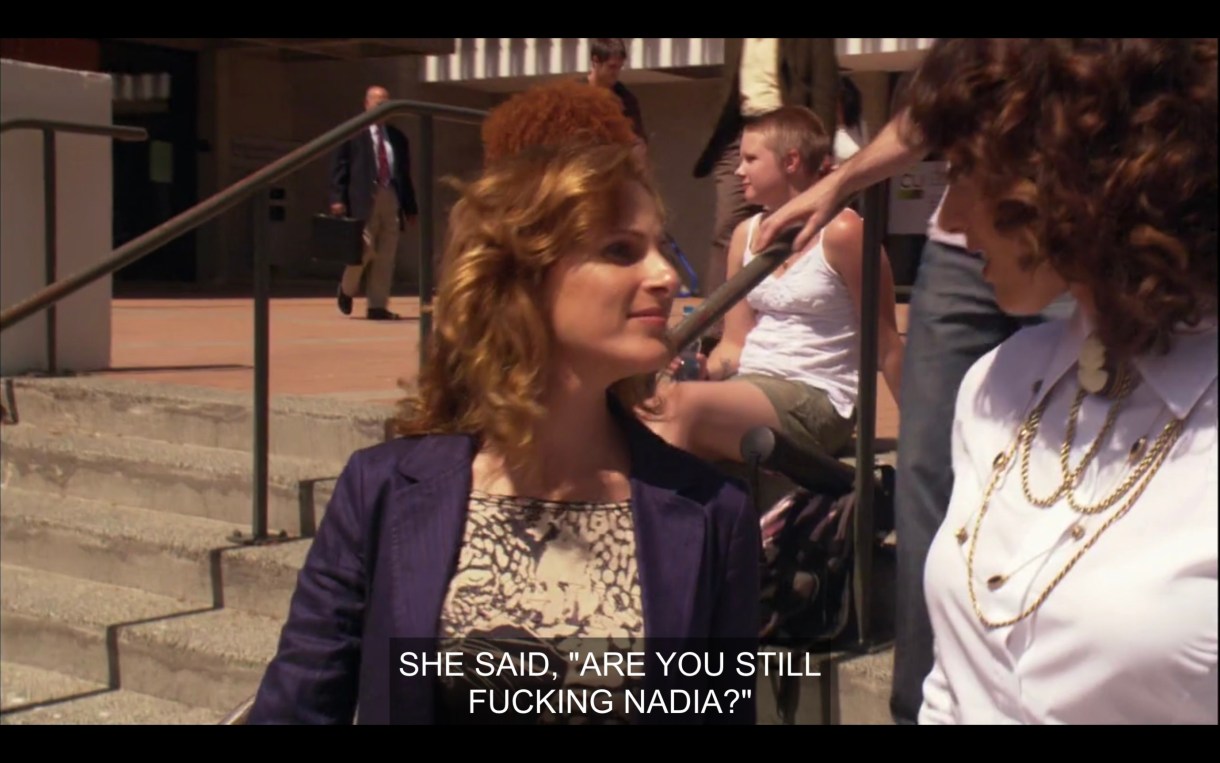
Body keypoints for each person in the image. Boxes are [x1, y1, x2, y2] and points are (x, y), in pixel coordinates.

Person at [780, 37, 1218, 724]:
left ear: (1067, 173)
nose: (945, 221)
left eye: (960, 172)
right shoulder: (995, 388)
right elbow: (951, 690)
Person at [246, 141, 760, 725]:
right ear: (522, 281)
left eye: (661, 249)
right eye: (621, 249)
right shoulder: (381, 490)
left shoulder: (713, 511)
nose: (667, 276)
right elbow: (297, 707)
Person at [755, 60, 1071, 726]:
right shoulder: (953, 196)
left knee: (1080, 471)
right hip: (964, 252)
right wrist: (841, 180)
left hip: (1076, 227)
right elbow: (936, 103)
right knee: (931, 471)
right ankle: (918, 705)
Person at [644, 106, 904, 465]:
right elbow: (735, 344)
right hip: (750, 385)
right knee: (650, 405)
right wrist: (707, 369)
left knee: (679, 407)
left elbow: (887, 343)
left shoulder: (844, 232)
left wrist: (926, 437)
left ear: (791, 161)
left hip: (819, 399)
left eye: (750, 159)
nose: (738, 171)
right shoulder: (743, 236)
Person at [693, 39, 839, 298]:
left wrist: (820, 148)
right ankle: (711, 327)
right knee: (726, 226)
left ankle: (798, 301)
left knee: (796, 219)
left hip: (787, 131)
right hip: (743, 130)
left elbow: (824, 86)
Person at [331, 85, 418, 321]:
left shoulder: (398, 138)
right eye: (378, 102)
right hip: (363, 197)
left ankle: (377, 306)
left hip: (390, 195)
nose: (382, 106)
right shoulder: (353, 133)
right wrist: (338, 198)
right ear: (366, 104)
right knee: (364, 249)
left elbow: (404, 173)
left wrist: (410, 207)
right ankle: (347, 289)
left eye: (386, 102)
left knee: (387, 253)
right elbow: (341, 167)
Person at [582, 38, 647, 144]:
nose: (616, 72)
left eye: (619, 67)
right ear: (595, 61)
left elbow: (638, 137)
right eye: (611, 66)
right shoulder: (576, 94)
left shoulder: (626, 99)